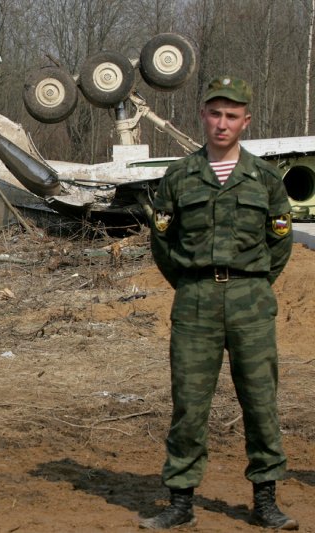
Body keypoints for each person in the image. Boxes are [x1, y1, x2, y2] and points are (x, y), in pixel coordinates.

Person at [141, 76, 297, 530]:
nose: (222, 123)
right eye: (215, 113)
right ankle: (180, 502)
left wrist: (254, 282)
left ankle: (265, 500)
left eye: (232, 115)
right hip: (195, 300)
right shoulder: (179, 176)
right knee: (189, 405)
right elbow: (162, 241)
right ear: (202, 116)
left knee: (260, 402)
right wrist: (192, 282)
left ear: (246, 121)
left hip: (251, 300)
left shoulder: (265, 178)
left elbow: (280, 242)